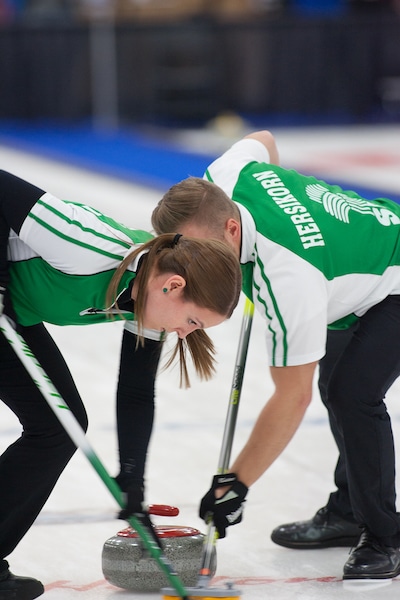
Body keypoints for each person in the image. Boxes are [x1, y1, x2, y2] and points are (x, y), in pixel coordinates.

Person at [151, 129, 400, 581]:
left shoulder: (287, 275)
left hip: (392, 278)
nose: (194, 266)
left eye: (205, 252)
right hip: (351, 266)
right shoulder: (223, 177)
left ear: (231, 228)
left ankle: (387, 536)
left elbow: (291, 398)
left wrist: (237, 483)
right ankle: (349, 510)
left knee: (352, 394)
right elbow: (262, 139)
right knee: (333, 382)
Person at [0, 169, 242, 600]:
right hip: (5, 298)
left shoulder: (146, 299)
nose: (186, 334)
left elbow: (134, 393)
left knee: (57, 428)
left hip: (13, 313)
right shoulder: (86, 245)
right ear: (174, 286)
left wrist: (133, 482)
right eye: (192, 321)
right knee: (56, 425)